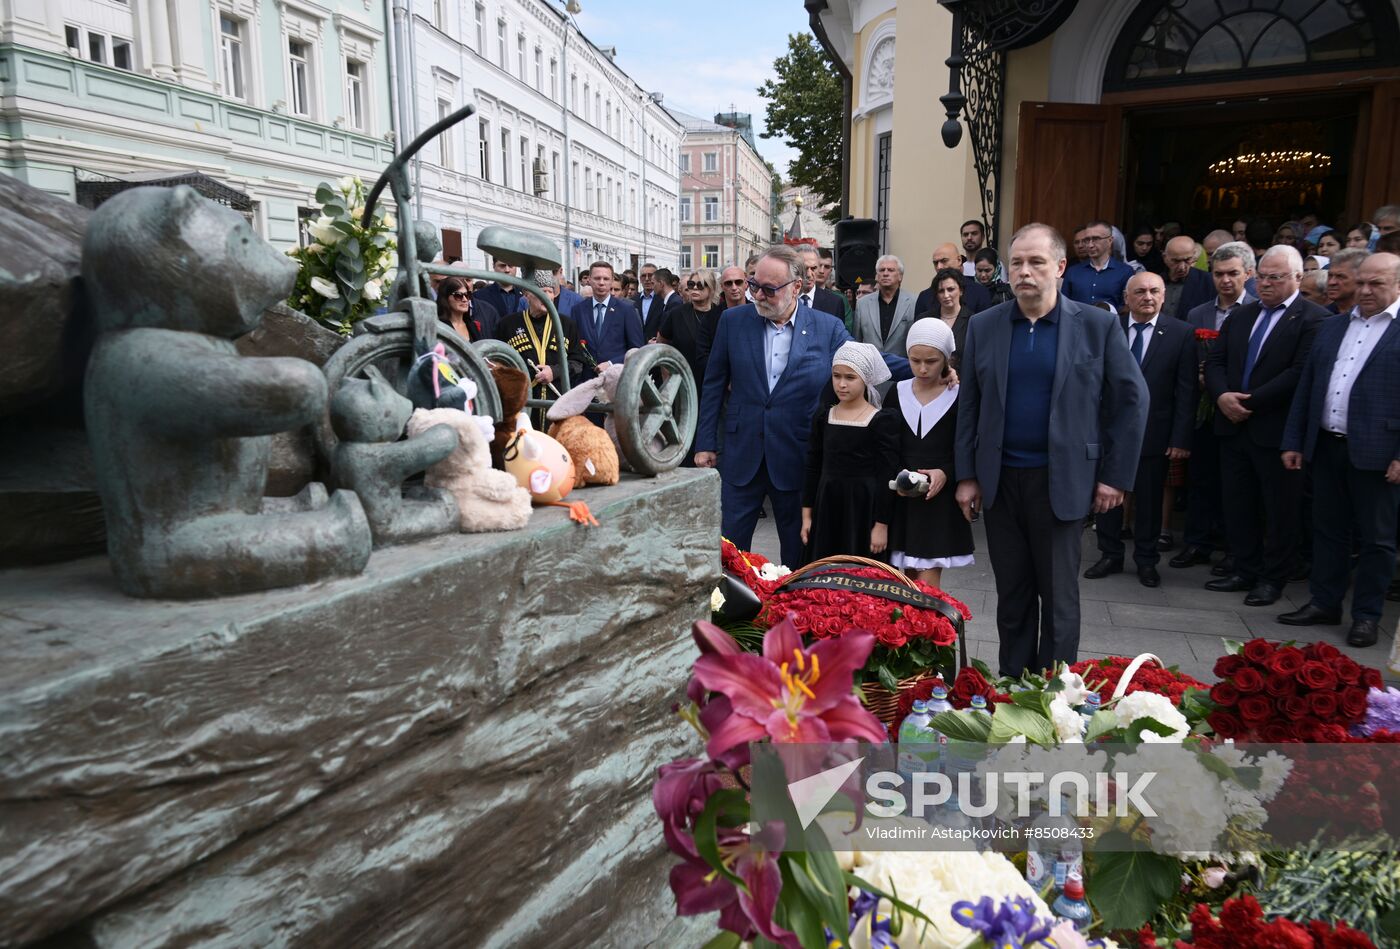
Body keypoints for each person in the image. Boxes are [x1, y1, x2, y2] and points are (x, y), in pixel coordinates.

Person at [954, 223, 1148, 676]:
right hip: (1001, 482)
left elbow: (1132, 400)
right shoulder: (986, 326)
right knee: (1013, 596)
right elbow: (970, 404)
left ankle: (1055, 696)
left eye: (1037, 262)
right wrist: (966, 474)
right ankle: (1014, 689)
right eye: (1017, 262)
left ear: (1060, 267)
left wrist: (1115, 476)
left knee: (1060, 598)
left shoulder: (1097, 325)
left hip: (1062, 483)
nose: (1025, 272)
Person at [694, 245, 909, 568]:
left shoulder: (826, 327)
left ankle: (792, 617)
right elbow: (713, 384)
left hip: (797, 456)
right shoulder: (732, 321)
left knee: (798, 554)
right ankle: (730, 616)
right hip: (741, 454)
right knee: (730, 554)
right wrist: (706, 442)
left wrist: (926, 368)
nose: (758, 296)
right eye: (754, 285)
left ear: (796, 287)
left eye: (769, 289)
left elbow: (867, 360)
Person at [1278, 252, 1400, 646]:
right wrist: (1295, 439)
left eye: (1376, 284)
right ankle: (1324, 601)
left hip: (1379, 453)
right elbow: (1308, 387)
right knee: (1328, 530)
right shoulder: (1332, 327)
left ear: (1397, 285)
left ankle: (1366, 614)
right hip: (1328, 445)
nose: (1364, 290)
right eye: (1361, 282)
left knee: (1377, 539)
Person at [1204, 244, 1328, 606]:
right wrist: (1223, 396)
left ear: (1298, 278)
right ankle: (1244, 568)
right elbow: (1216, 362)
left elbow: (1299, 373)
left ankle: (1273, 578)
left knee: (1278, 510)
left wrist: (1249, 402)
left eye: (1276, 277)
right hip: (1232, 424)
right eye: (1262, 277)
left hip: (1275, 430)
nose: (1266, 284)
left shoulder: (1313, 319)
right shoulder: (1243, 315)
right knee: (1237, 503)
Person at [1084, 272, 1197, 588]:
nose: (1148, 297)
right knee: (1106, 497)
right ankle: (1110, 554)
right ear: (1127, 297)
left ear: (1163, 296)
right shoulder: (1110, 328)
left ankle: (1146, 560)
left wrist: (1179, 438)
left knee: (1148, 499)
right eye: (1141, 292)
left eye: (1154, 291)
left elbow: (1186, 391)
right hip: (1108, 432)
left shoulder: (1181, 333)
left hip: (1154, 433)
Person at [1175, 242, 1257, 569]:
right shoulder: (1198, 313)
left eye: (1233, 273)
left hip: (1240, 409)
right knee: (1201, 478)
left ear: (1248, 274)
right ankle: (1197, 543)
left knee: (1236, 485)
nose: (1225, 280)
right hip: (1203, 409)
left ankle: (1233, 547)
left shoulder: (1255, 310)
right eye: (1218, 274)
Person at [883, 318, 974, 590]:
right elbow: (887, 445)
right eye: (914, 360)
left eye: (931, 361)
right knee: (906, 572)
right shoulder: (896, 393)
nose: (922, 368)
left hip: (939, 501)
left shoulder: (958, 395)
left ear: (947, 358)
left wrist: (946, 472)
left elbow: (965, 443)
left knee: (928, 578)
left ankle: (925, 630)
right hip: (903, 497)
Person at [801, 341, 898, 562]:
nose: (842, 384)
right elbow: (813, 465)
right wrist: (807, 515)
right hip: (827, 507)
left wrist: (881, 524)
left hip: (863, 510)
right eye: (837, 376)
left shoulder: (881, 421)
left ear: (865, 378)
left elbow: (887, 475)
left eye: (850, 377)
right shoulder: (825, 417)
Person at [494, 270, 584, 428]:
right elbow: (498, 363)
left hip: (557, 402)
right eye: (543, 291)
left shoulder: (566, 324)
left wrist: (554, 371)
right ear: (527, 294)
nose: (548, 296)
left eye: (551, 292)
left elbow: (577, 363)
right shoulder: (508, 324)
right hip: (522, 403)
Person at [570, 260, 643, 374]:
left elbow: (636, 350)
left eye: (606, 279)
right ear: (589, 280)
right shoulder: (578, 310)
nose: (601, 283)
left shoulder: (626, 310)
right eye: (597, 278)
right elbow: (573, 346)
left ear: (612, 281)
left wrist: (611, 364)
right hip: (585, 380)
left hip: (616, 379)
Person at [1061, 220, 1135, 310]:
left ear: (1110, 240)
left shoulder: (1125, 272)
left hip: (1110, 322)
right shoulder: (1073, 271)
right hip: (1077, 323)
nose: (1090, 245)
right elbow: (1063, 305)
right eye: (1087, 240)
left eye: (1096, 239)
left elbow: (1127, 306)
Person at [853, 254, 918, 355]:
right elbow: (857, 340)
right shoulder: (862, 304)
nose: (885, 273)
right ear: (876, 276)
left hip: (902, 366)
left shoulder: (914, 302)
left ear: (900, 276)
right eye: (882, 270)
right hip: (871, 366)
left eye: (891, 270)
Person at [921, 267, 973, 367]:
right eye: (941, 291)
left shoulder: (973, 321)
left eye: (950, 289)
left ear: (961, 291)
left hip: (962, 379)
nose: (946, 295)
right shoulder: (925, 320)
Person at [1161, 235, 1214, 320]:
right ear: (1165, 257)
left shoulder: (1208, 282)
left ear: (1194, 256)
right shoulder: (1156, 281)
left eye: (1187, 260)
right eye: (1176, 261)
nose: (1182, 267)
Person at [436, 276, 497, 343]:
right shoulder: (438, 326)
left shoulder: (473, 326)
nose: (465, 299)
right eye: (458, 295)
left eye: (467, 295)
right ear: (446, 298)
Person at [472, 258, 523, 335]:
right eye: (502, 266)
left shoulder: (527, 295)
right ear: (494, 266)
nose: (507, 270)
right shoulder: (480, 296)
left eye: (511, 266)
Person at [797, 245, 846, 318]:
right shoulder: (783, 299)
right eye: (804, 268)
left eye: (814, 268)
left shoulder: (835, 302)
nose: (809, 274)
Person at [1326, 248, 1369, 314]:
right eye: (1330, 275)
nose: (1331, 282)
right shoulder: (1321, 316)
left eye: (1340, 276)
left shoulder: (1374, 315)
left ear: (1361, 279)